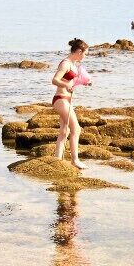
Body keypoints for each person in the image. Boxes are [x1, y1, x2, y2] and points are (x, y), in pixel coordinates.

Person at [50, 39, 92, 169]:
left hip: (67, 99)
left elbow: (71, 81)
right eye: (85, 53)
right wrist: (66, 85)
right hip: (60, 98)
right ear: (79, 51)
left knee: (65, 131)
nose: (85, 56)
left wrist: (84, 82)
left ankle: (57, 159)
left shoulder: (74, 65)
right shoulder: (66, 63)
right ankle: (75, 160)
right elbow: (55, 80)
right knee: (76, 129)